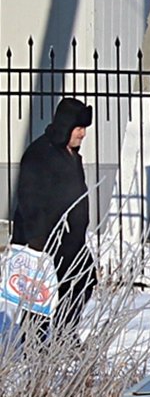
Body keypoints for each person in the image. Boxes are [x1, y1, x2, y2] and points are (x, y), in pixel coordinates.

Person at [11, 96, 97, 335]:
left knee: (84, 281)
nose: (83, 134)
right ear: (66, 126)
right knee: (39, 296)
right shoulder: (40, 155)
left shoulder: (70, 154)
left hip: (71, 242)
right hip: (46, 242)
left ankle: (64, 335)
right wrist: (38, 243)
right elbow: (29, 200)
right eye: (79, 128)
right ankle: (35, 344)